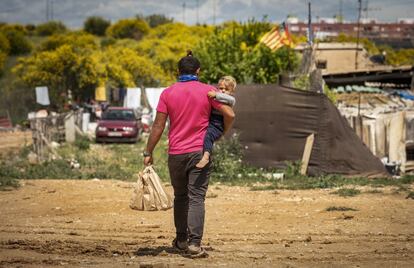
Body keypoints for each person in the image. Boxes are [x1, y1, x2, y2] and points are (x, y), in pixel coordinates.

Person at [143, 51, 235, 258]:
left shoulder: (167, 93)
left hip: (175, 153)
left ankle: (181, 240)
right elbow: (229, 113)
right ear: (198, 71)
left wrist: (148, 151)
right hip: (199, 152)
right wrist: (221, 133)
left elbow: (158, 125)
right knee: (196, 199)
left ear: (178, 71)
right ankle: (194, 245)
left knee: (181, 197)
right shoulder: (208, 91)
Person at [196, 76, 237, 168]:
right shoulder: (217, 98)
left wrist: (216, 95)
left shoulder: (230, 100)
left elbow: (229, 99)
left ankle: (206, 156)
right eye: (220, 88)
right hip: (211, 121)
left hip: (217, 123)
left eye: (226, 89)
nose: (222, 91)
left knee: (208, 136)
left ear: (232, 92)